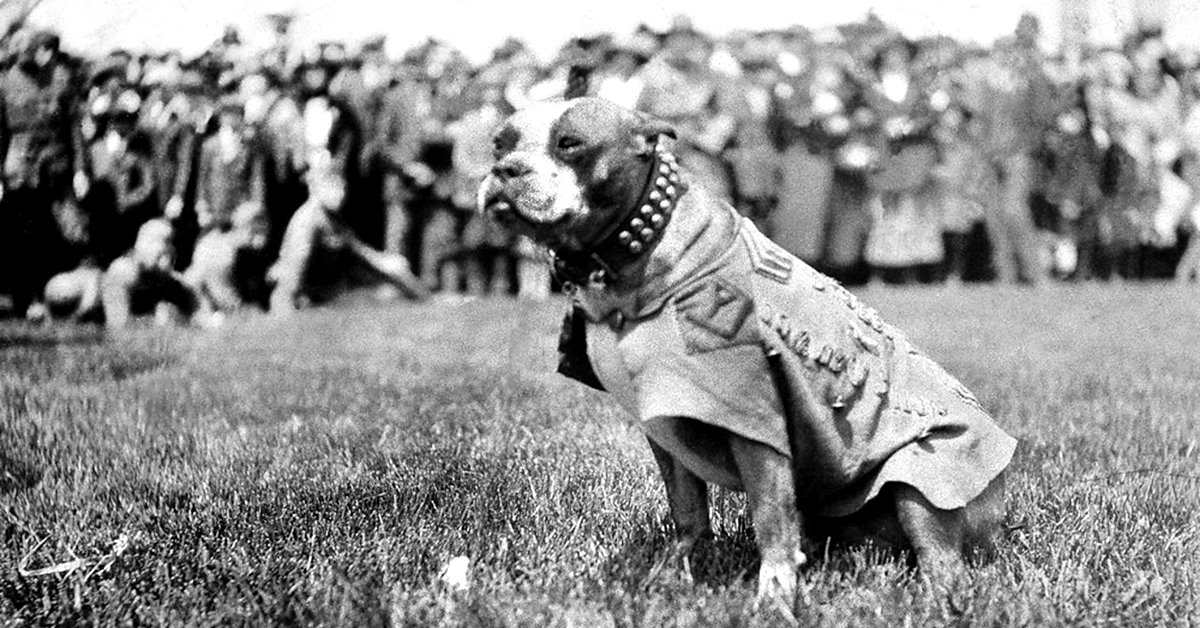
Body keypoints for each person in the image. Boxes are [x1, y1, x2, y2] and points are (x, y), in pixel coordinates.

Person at [0, 29, 88, 318]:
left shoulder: (62, 79)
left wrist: (79, 170)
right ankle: (20, 298)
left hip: (55, 169)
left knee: (55, 237)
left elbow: (74, 129)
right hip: (20, 171)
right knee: (19, 236)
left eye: (50, 50)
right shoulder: (5, 82)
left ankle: (49, 299)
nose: (45, 56)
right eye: (39, 50)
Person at [100, 218, 208, 330]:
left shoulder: (172, 281)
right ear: (144, 245)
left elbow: (200, 318)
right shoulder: (123, 272)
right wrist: (156, 322)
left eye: (172, 243)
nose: (171, 250)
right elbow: (118, 324)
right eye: (165, 242)